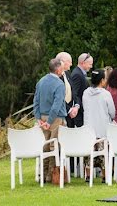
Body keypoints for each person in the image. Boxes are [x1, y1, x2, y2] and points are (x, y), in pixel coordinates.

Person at [32, 57, 66, 185]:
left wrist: (39, 118)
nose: (63, 71)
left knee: (45, 147)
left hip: (42, 118)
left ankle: (42, 173)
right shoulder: (59, 84)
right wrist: (50, 121)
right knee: (54, 147)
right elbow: (57, 105)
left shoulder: (41, 82)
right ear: (58, 70)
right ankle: (51, 175)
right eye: (62, 68)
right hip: (55, 119)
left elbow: (35, 101)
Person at [82, 69, 114, 181]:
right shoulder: (106, 94)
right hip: (102, 128)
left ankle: (88, 175)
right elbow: (112, 112)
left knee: (89, 152)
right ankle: (105, 175)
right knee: (103, 153)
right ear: (102, 80)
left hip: (89, 128)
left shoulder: (85, 93)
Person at [70, 53, 93, 128]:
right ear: (83, 63)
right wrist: (77, 107)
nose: (91, 66)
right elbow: (75, 93)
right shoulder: (77, 74)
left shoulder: (80, 73)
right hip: (79, 112)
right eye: (90, 64)